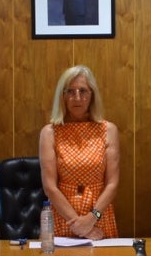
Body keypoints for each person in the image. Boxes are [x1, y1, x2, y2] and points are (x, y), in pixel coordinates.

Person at [39, 65, 120, 240]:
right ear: (62, 96)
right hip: (64, 216)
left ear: (92, 95)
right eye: (70, 91)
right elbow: (50, 187)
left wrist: (92, 218)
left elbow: (112, 184)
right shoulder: (49, 133)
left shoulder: (108, 130)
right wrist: (78, 224)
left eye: (83, 91)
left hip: (99, 214)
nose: (77, 97)